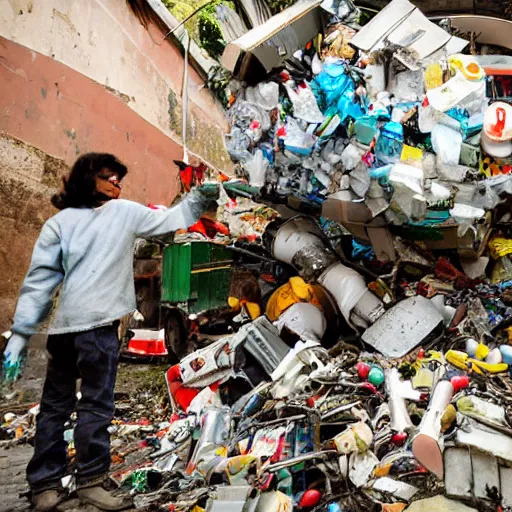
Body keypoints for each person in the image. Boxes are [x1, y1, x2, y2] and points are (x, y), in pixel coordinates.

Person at [2, 153, 214, 511]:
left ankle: (45, 486)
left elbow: (40, 281)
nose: (117, 184)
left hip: (64, 330)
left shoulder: (61, 223)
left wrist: (21, 334)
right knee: (95, 406)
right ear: (88, 180)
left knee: (55, 407)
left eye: (119, 178)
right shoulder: (120, 213)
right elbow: (172, 219)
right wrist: (201, 199)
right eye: (109, 177)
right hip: (95, 330)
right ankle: (89, 481)